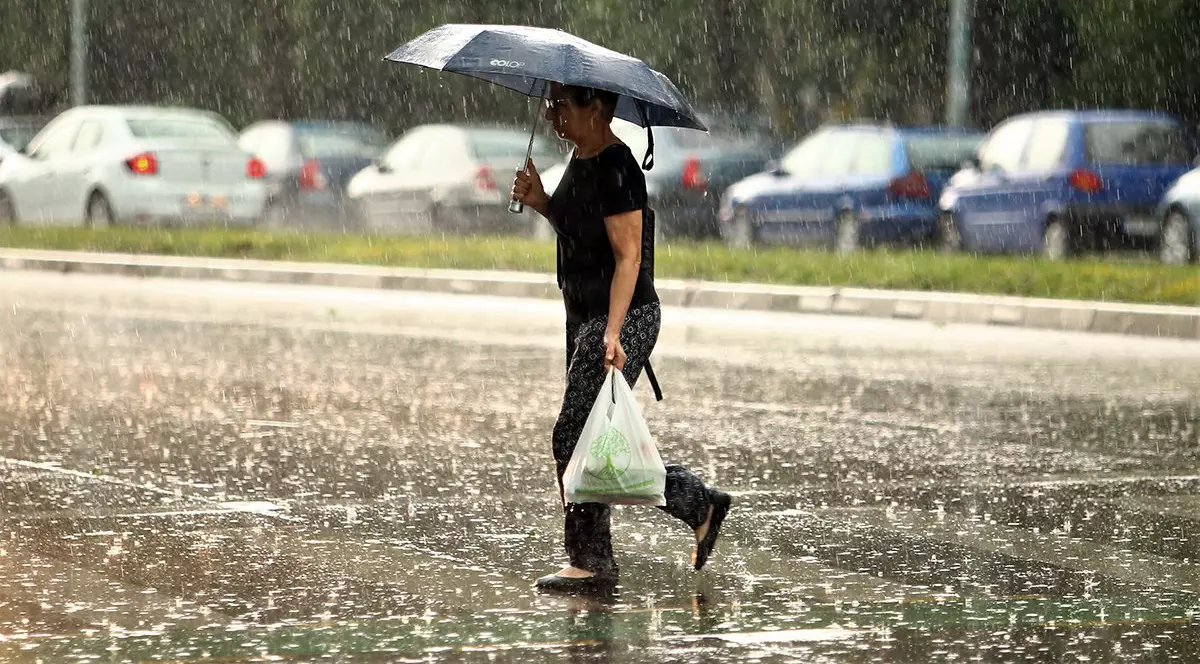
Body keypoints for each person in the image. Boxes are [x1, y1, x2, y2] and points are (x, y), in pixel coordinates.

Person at [511, 83, 733, 592]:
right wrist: (542, 201)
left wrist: (613, 331)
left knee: (574, 435)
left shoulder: (618, 168)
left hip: (623, 316)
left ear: (596, 108)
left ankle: (591, 562)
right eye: (550, 105)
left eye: (561, 105)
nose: (551, 115)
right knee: (591, 436)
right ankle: (697, 505)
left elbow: (629, 257)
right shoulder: (580, 158)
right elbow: (578, 229)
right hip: (586, 314)